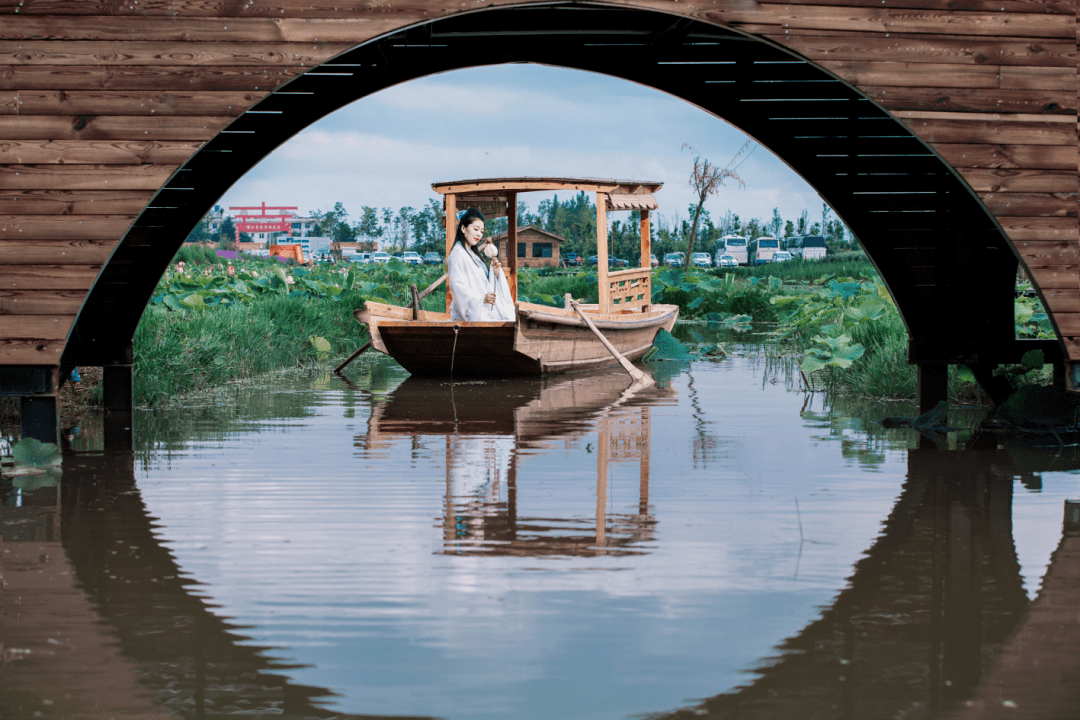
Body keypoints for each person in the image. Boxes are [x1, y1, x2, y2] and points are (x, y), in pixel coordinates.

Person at [447, 208, 515, 322]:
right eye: (476, 229)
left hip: (483, 312)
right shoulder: (457, 253)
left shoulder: (473, 255)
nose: (479, 234)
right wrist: (481, 298)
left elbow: (485, 283)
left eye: (482, 231)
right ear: (463, 228)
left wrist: (496, 271)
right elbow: (456, 286)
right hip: (471, 317)